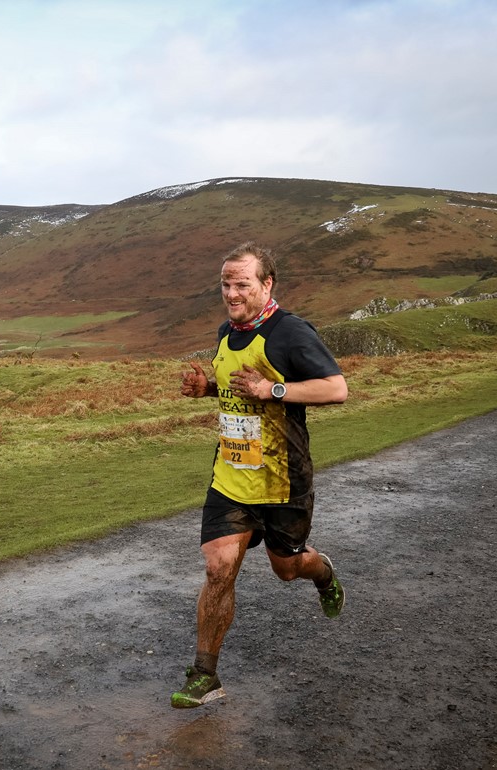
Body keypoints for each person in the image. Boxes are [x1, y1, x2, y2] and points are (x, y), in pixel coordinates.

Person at [173, 242, 348, 709]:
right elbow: (235, 387)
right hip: (231, 477)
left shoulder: (290, 332)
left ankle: (322, 571)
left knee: (287, 569)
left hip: (283, 481)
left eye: (241, 284)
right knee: (218, 568)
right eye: (226, 284)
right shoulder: (227, 332)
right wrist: (206, 387)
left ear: (267, 284)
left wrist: (272, 388)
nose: (231, 293)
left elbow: (336, 388)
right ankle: (205, 675)